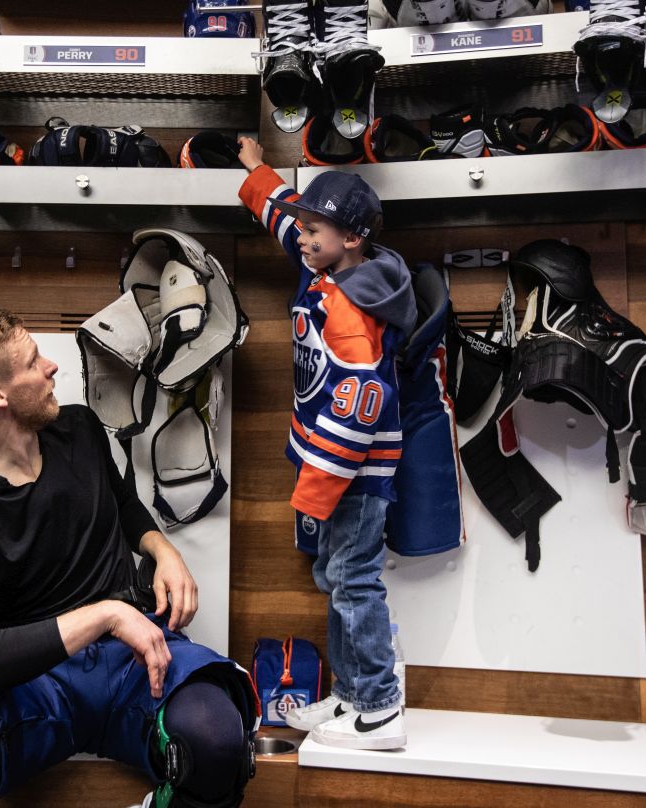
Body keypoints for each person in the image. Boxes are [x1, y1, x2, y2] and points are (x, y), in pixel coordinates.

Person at [0, 311, 258, 808]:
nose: (51, 366)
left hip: (134, 667)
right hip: (31, 686)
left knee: (218, 741)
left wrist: (163, 549)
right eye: (32, 362)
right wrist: (109, 614)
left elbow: (123, 504)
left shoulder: (80, 429)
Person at [236, 137, 415, 750]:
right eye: (307, 229)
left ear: (354, 239)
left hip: (354, 472)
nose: (304, 238)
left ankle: (382, 708)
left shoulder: (352, 309)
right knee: (335, 576)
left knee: (355, 578)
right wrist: (257, 171)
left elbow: (360, 407)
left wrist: (316, 488)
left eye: (318, 230)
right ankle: (352, 694)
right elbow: (288, 218)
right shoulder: (327, 264)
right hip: (332, 465)